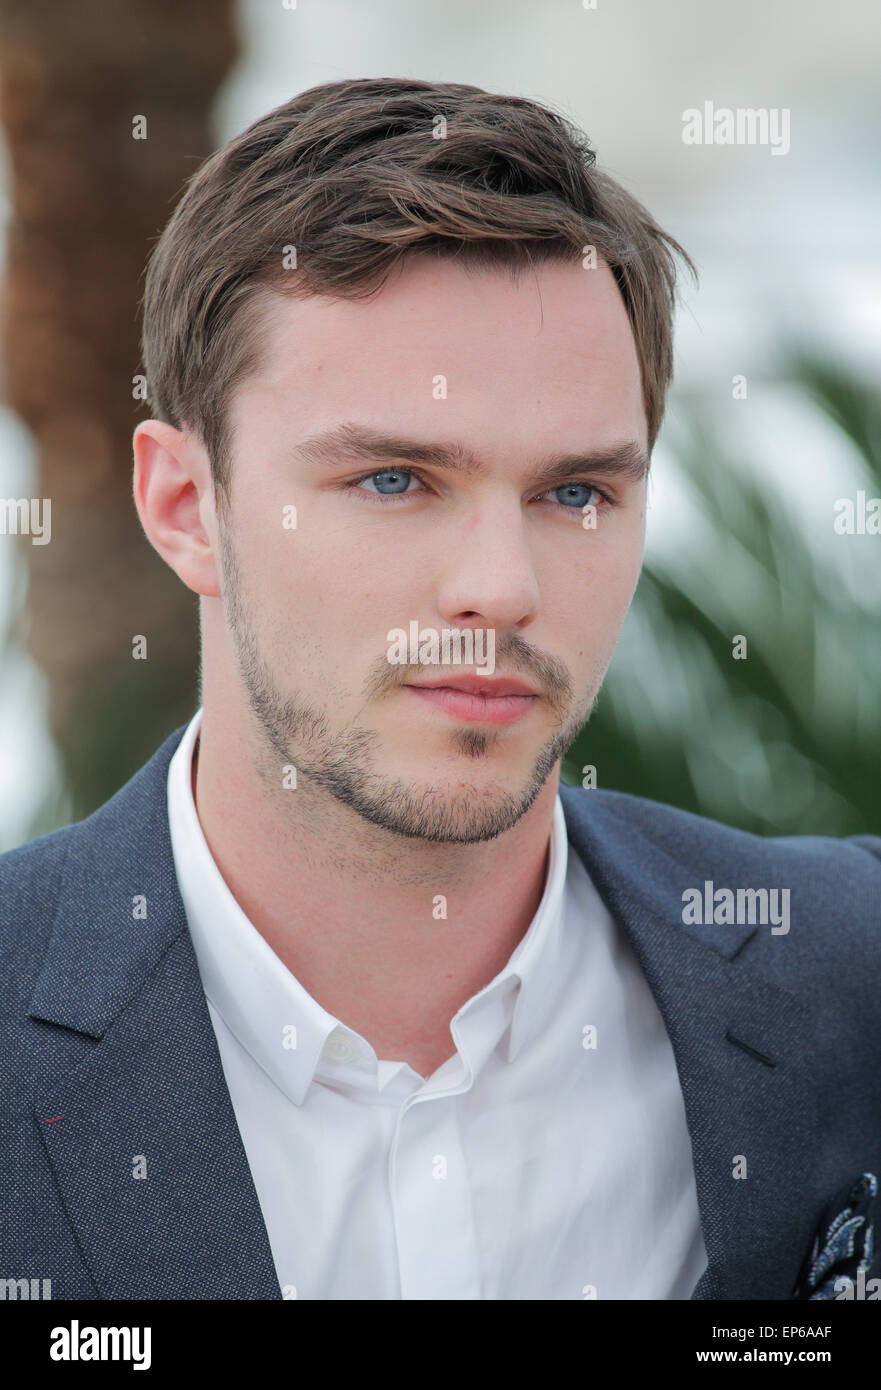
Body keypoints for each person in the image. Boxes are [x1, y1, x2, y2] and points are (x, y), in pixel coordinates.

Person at [2, 77, 879, 1302]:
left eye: (574, 492)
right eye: (396, 479)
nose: (500, 589)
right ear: (185, 507)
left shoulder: (847, 974)